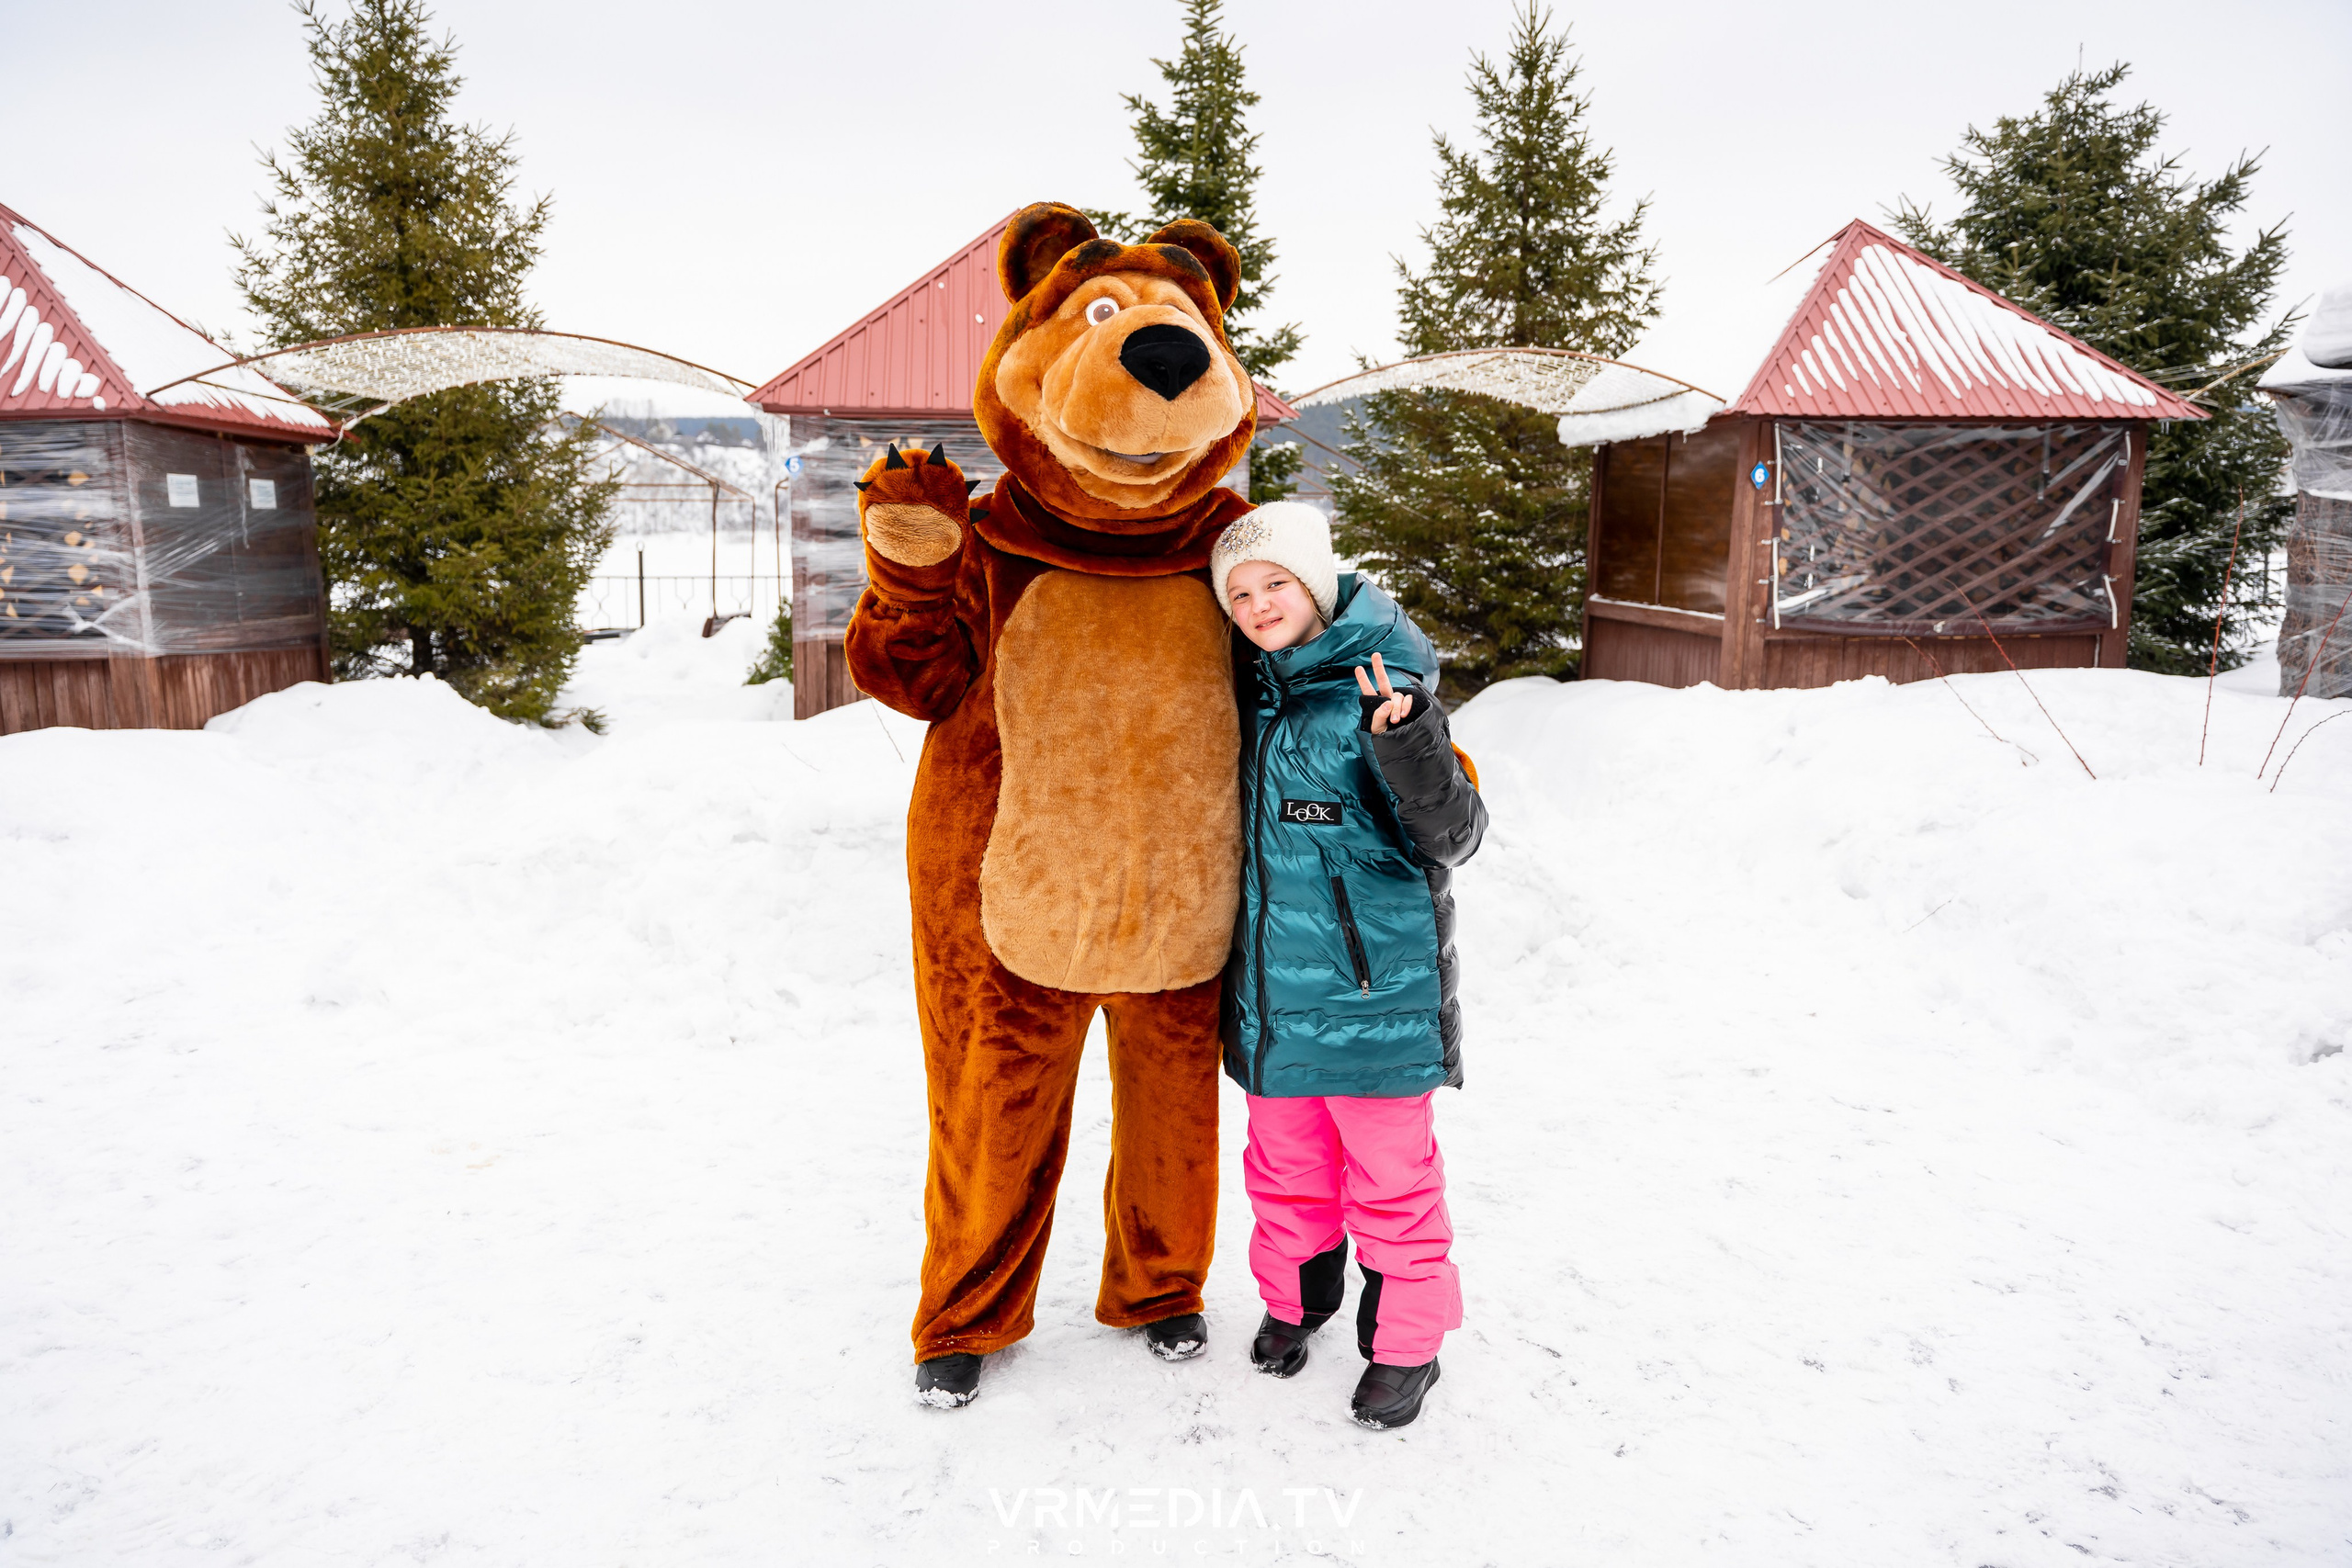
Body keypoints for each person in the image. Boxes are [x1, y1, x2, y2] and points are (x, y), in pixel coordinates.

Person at [1207, 502, 1487, 1430]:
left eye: (1275, 583)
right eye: (1239, 593)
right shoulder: (1244, 690)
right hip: (1272, 1004)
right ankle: (1296, 1301)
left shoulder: (1386, 687)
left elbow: (1456, 836)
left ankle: (1408, 1346)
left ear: (1317, 585)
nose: (1258, 604)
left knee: (1392, 1185)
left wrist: (1408, 742)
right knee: (1283, 1170)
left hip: (1374, 1002)